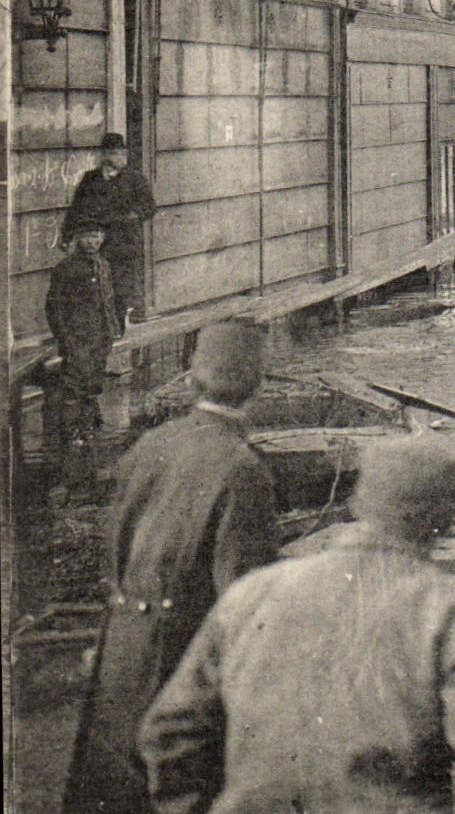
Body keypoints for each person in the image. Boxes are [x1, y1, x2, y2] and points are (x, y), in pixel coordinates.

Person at [138, 435, 455, 814]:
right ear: (446, 517)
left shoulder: (252, 593)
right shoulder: (450, 610)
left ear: (359, 501)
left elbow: (168, 731)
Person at [63, 319, 278, 814]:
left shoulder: (151, 445)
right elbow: (245, 604)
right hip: (183, 664)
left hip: (121, 650)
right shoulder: (243, 469)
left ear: (192, 378)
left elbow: (113, 548)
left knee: (112, 791)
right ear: (259, 387)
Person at [63, 132, 156, 332]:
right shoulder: (90, 179)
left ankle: (117, 329)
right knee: (93, 286)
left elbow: (149, 206)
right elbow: (75, 209)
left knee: (120, 289)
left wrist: (133, 215)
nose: (111, 158)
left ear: (124, 155)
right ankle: (97, 330)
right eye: (107, 153)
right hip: (95, 244)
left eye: (116, 153)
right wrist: (67, 235)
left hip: (123, 244)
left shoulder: (134, 179)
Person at [45, 220, 121, 460]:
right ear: (77, 238)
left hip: (100, 337)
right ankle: (70, 436)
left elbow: (108, 301)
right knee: (73, 388)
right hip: (77, 340)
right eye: (87, 236)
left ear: (103, 237)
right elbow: (54, 308)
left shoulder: (104, 266)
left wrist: (112, 329)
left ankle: (86, 430)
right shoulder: (66, 269)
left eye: (97, 236)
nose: (92, 241)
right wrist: (66, 340)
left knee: (92, 385)